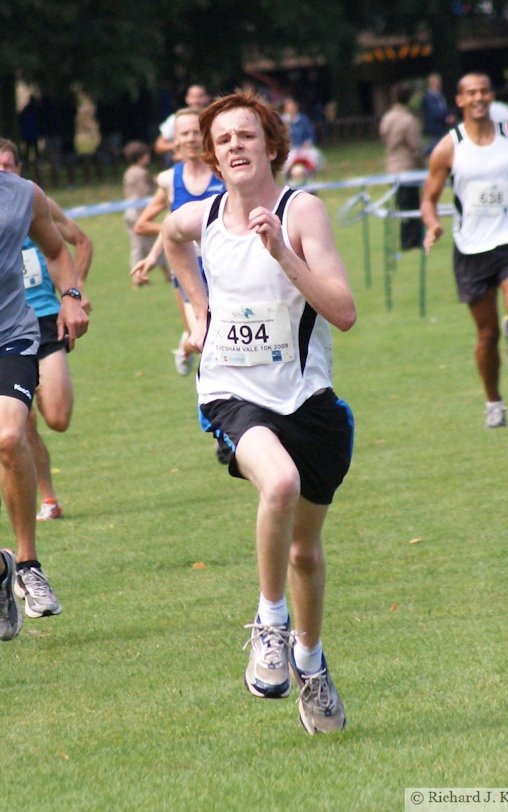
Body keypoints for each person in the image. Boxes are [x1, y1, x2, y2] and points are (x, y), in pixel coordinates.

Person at [162, 90, 356, 734]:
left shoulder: (303, 212)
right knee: (279, 482)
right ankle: (269, 624)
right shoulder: (206, 215)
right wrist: (198, 311)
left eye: (246, 135)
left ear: (272, 145)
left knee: (305, 551)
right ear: (213, 159)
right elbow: (170, 235)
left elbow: (344, 312)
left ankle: (310, 659)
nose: (234, 147)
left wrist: (282, 254)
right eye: (222, 141)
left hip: (309, 404)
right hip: (231, 394)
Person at [421, 72, 508, 429]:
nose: (478, 97)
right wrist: (433, 225)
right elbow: (428, 198)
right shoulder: (449, 147)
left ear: (491, 96)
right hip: (471, 249)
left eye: (484, 91)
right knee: (485, 334)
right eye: (470, 92)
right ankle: (494, 402)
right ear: (459, 100)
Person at [0, 167, 88, 640]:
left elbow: (57, 249)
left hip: (11, 336)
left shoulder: (21, 195)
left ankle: (28, 565)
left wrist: (71, 295)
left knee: (11, 436)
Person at [0, 138, 93, 520]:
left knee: (56, 416)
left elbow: (77, 241)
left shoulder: (30, 199)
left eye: (8, 164)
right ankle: (48, 497)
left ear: (19, 166)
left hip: (42, 317)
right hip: (12, 326)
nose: (3, 170)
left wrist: (74, 293)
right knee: (16, 426)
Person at [131, 108, 225, 376]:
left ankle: (185, 347)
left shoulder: (222, 171)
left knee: (219, 332)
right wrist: (152, 258)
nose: (192, 138)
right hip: (185, 268)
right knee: (204, 337)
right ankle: (189, 353)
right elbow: (146, 224)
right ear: (175, 139)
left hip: (221, 263)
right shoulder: (169, 180)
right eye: (185, 133)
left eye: (197, 131)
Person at [379, 82, 425, 250]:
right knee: (412, 206)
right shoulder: (408, 120)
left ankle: (406, 239)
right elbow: (417, 147)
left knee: (402, 205)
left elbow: (384, 139)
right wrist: (421, 165)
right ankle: (411, 241)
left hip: (392, 168)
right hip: (408, 169)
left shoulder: (387, 118)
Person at [122, 140, 167, 281]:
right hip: (138, 213)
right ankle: (166, 275)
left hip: (128, 212)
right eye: (147, 155)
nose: (149, 158)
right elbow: (145, 194)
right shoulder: (142, 173)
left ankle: (137, 276)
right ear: (141, 157)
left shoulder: (128, 172)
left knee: (137, 246)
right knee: (154, 244)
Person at [154, 85, 211, 162]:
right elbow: (159, 146)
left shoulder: (214, 119)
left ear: (207, 98)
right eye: (193, 97)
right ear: (187, 99)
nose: (196, 100)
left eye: (200, 97)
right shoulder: (175, 119)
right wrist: (180, 146)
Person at [421, 73, 454, 156]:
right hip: (434, 127)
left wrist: (450, 115)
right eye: (437, 82)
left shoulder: (440, 95)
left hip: (443, 127)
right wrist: (445, 118)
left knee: (441, 144)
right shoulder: (428, 97)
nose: (439, 84)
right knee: (434, 145)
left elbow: (445, 108)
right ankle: (422, 153)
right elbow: (434, 112)